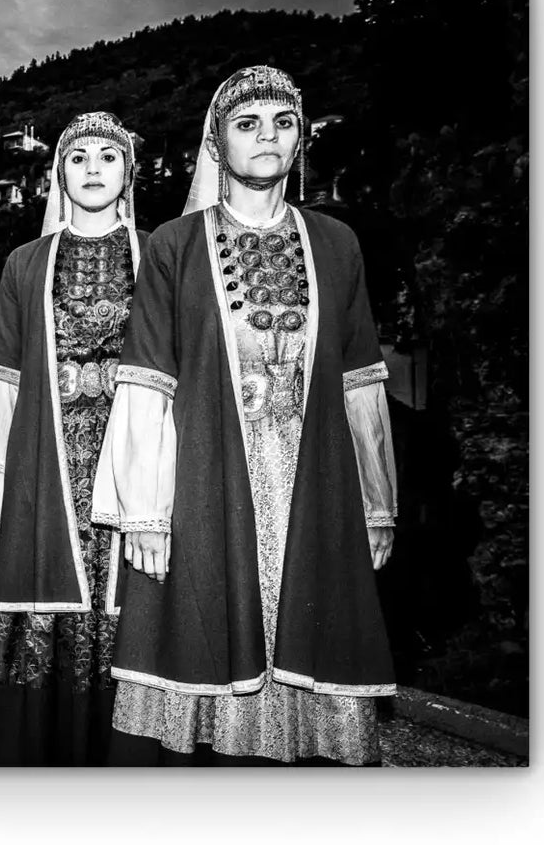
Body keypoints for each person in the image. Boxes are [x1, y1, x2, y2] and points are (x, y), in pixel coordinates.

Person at [94, 66, 399, 766]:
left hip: (314, 482)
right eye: (247, 122)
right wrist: (144, 510)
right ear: (214, 139)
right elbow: (146, 379)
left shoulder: (335, 242)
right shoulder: (173, 245)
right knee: (208, 629)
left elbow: (360, 381)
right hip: (208, 483)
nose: (268, 136)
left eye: (283, 122)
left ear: (300, 139)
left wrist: (377, 502)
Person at [0, 113, 151, 765]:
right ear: (57, 173)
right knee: (47, 584)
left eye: (108, 155)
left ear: (129, 172)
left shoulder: (158, 256)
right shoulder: (25, 263)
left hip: (134, 453)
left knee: (128, 590)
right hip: (46, 454)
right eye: (78, 157)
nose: (93, 167)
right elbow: (3, 366)